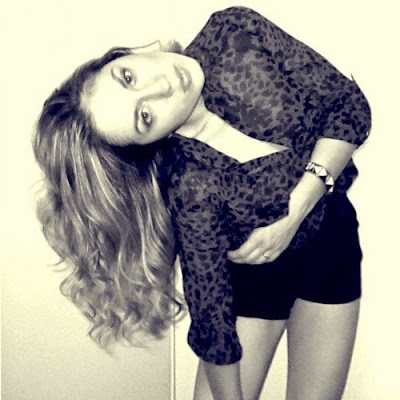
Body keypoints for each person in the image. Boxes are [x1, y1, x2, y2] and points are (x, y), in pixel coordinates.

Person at [34, 6, 371, 400]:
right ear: (152, 142)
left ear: (125, 55)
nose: (162, 87)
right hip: (254, 281)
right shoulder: (189, 182)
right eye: (145, 116)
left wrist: (294, 212)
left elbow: (350, 108)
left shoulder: (235, 34)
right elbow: (211, 313)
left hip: (331, 243)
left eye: (128, 77)